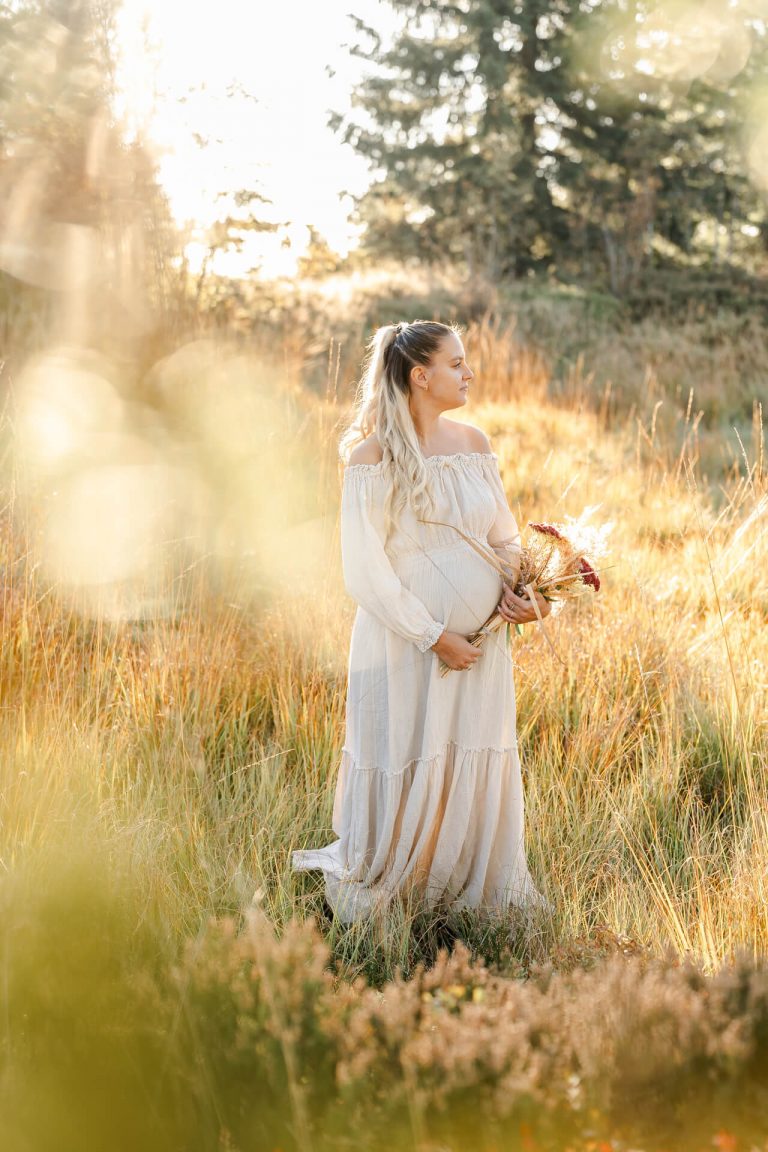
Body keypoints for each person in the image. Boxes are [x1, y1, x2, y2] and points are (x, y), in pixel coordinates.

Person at [291, 320, 550, 922]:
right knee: (413, 753)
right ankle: (402, 887)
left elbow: (504, 537)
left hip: (481, 651)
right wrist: (434, 636)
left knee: (466, 753)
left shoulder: (475, 444)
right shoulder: (373, 456)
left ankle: (463, 884)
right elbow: (364, 570)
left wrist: (526, 593)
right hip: (406, 648)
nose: (469, 374)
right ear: (420, 375)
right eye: (457, 364)